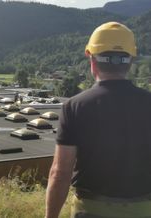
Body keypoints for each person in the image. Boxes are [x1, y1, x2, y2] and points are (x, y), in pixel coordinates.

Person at [45, 22, 151, 218]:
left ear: (91, 60)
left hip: (90, 211)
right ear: (130, 61)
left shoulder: (74, 107)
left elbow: (60, 173)